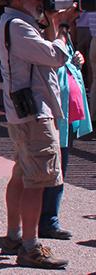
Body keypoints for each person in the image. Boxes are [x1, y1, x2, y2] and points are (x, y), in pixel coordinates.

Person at [0, 0, 71, 269]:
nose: (41, 1)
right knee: (37, 181)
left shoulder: (16, 24)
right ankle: (30, 245)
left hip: (24, 114)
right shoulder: (18, 27)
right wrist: (62, 26)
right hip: (33, 116)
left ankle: (14, 236)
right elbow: (54, 56)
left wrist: (51, 22)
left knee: (21, 174)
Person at [40, 13, 92, 241]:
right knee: (50, 169)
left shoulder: (64, 34)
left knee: (61, 168)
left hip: (68, 114)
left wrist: (76, 60)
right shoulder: (45, 33)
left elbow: (65, 63)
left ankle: (50, 218)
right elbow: (52, 60)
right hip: (52, 112)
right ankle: (44, 220)